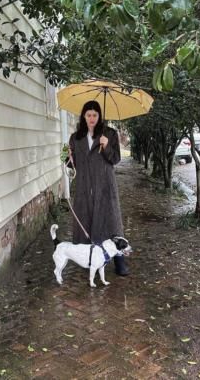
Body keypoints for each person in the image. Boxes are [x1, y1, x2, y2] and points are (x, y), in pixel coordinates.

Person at [68, 100, 129, 276]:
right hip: (84, 187)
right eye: (89, 115)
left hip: (105, 186)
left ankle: (119, 260)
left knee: (111, 222)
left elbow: (115, 158)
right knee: (86, 221)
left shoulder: (110, 133)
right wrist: (67, 156)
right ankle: (88, 260)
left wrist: (106, 145)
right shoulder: (76, 137)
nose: (92, 118)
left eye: (95, 115)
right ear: (84, 116)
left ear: (99, 116)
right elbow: (72, 164)